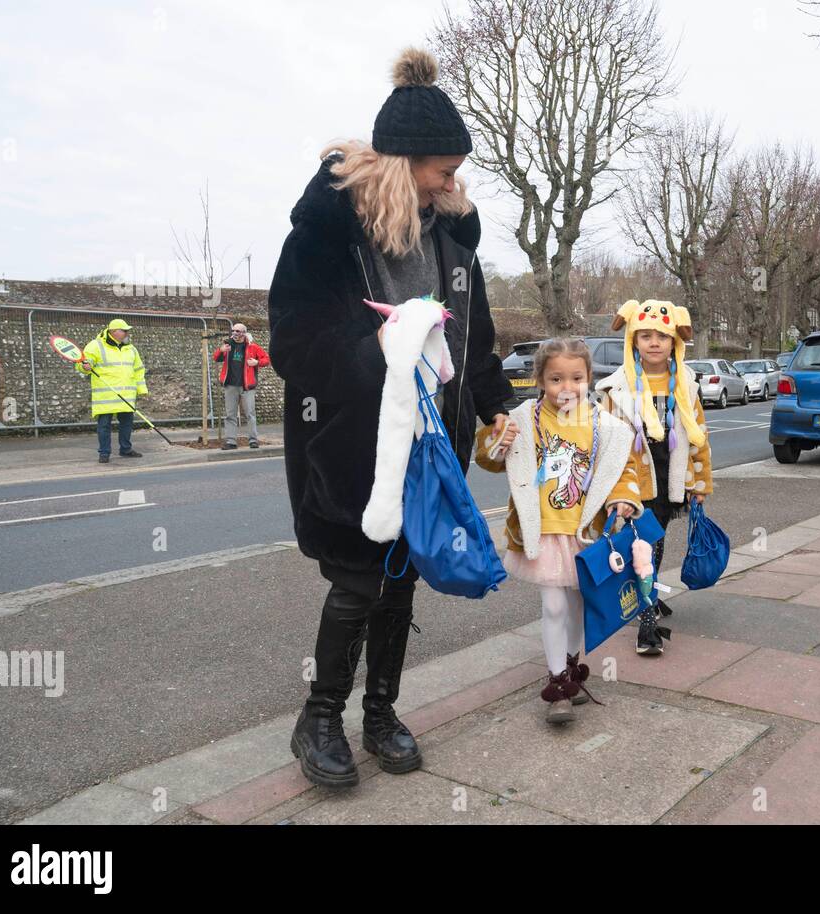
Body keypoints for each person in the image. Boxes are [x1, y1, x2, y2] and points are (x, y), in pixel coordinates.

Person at [268, 47, 513, 788]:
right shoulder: (327, 239)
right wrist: (371, 347)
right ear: (405, 164)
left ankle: (381, 715)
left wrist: (496, 406)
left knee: (402, 580)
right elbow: (293, 346)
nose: (453, 183)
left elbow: (474, 345)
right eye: (442, 170)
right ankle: (319, 718)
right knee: (356, 583)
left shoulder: (453, 245)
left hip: (432, 449)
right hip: (350, 448)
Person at [475, 338, 643, 724]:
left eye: (576, 377)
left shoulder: (608, 426)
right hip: (543, 532)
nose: (566, 387)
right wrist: (499, 440)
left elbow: (624, 470)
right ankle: (558, 686)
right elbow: (489, 457)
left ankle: (571, 665)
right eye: (555, 378)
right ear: (540, 380)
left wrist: (624, 499)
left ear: (588, 378)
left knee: (577, 608)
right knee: (553, 606)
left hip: (586, 535)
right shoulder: (522, 418)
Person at [596, 300, 714, 655]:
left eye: (662, 336)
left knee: (655, 544)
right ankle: (646, 623)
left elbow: (699, 437)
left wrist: (700, 484)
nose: (653, 342)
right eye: (645, 335)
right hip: (633, 478)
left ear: (674, 341)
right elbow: (605, 439)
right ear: (633, 340)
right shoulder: (617, 387)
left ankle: (648, 592)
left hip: (669, 476)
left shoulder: (686, 385)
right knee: (644, 545)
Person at [77, 318, 148, 464]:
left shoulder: (131, 349)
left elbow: (138, 370)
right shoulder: (95, 345)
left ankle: (125, 449)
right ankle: (104, 453)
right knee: (104, 425)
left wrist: (141, 389)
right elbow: (84, 362)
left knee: (127, 424)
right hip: (106, 395)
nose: (127, 333)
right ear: (113, 332)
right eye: (124, 330)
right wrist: (85, 367)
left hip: (126, 395)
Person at [214, 323, 270, 449]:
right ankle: (231, 442)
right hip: (230, 385)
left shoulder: (253, 347)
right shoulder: (227, 345)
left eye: (238, 331)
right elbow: (216, 358)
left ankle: (253, 440)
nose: (235, 333)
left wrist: (257, 362)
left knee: (250, 413)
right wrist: (220, 350)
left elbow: (266, 359)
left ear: (244, 333)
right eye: (233, 330)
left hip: (247, 386)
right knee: (230, 414)